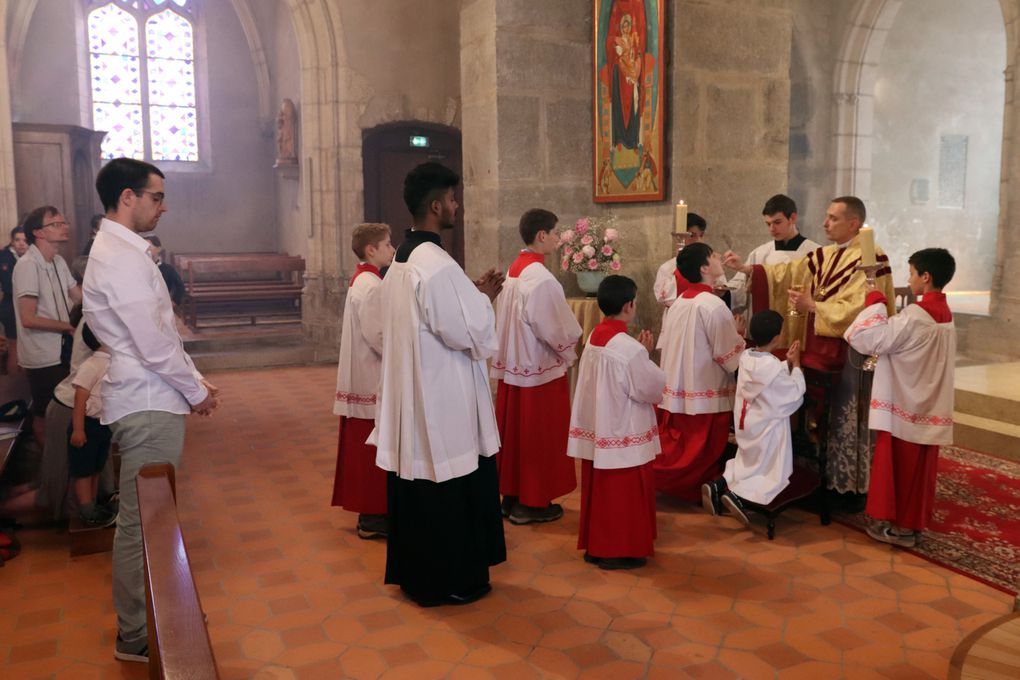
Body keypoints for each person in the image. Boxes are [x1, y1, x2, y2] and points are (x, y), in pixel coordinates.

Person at [84, 157, 219, 663]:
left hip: (152, 393)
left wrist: (195, 381)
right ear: (127, 198)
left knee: (154, 519)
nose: (162, 206)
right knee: (142, 522)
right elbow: (150, 343)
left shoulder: (126, 252)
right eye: (156, 196)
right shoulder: (118, 257)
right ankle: (136, 631)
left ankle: (150, 617)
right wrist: (196, 391)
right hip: (144, 398)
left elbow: (161, 333)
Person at [370, 162, 506, 607]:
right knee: (448, 484)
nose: (456, 205)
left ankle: (420, 578)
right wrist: (485, 299)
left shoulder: (401, 260)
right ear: (434, 205)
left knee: (419, 487)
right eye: (451, 198)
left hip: (417, 392)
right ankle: (453, 578)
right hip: (442, 397)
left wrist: (472, 294)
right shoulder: (436, 263)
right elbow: (470, 332)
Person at [724, 197, 896, 497]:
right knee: (816, 412)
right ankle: (817, 473)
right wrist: (750, 270)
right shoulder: (824, 254)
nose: (824, 223)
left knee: (845, 413)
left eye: (832, 218)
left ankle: (849, 483)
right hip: (817, 346)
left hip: (850, 350)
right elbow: (788, 274)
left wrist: (814, 305)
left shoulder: (872, 258)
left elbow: (863, 307)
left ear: (853, 223)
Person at [844, 248, 956, 548]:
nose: (910, 278)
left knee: (902, 469)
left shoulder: (916, 316)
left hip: (907, 403)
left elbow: (870, 339)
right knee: (919, 472)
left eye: (911, 273)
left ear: (926, 276)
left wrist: (874, 303)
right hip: (927, 402)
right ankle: (912, 526)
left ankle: (900, 530)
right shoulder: (945, 314)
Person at [568, 275, 665, 570]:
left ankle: (597, 547)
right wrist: (647, 357)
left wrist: (641, 354)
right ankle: (618, 550)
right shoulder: (628, 348)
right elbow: (650, 387)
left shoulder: (595, 336)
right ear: (629, 305)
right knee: (623, 494)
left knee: (601, 491)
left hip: (601, 425)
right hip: (623, 428)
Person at [491, 208, 581, 525]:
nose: (558, 240)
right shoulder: (542, 279)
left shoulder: (514, 271)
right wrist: (571, 350)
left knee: (515, 434)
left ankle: (511, 497)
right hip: (539, 370)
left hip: (514, 368)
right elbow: (556, 329)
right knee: (537, 438)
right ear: (542, 235)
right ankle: (532, 503)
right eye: (556, 233)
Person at [655, 242, 745, 502]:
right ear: (705, 267)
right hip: (705, 393)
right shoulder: (712, 305)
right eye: (714, 255)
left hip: (678, 392)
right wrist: (739, 336)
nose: (719, 259)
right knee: (698, 450)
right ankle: (699, 487)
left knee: (679, 447)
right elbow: (728, 355)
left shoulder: (680, 300)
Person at [702, 311, 805, 527]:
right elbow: (793, 394)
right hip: (767, 429)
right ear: (777, 339)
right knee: (768, 472)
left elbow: (769, 382)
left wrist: (784, 365)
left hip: (746, 424)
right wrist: (795, 365)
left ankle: (718, 485)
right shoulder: (773, 367)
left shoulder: (746, 358)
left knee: (746, 462)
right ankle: (738, 497)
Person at [332, 223, 394, 539]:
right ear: (371, 249)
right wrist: (405, 354)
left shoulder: (365, 280)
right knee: (371, 447)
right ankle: (373, 516)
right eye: (386, 244)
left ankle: (372, 513)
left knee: (367, 445)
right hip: (371, 375)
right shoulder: (371, 285)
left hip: (364, 373)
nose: (392, 249)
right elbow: (378, 334)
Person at [13, 206, 82, 450]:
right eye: (56, 224)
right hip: (42, 354)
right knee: (45, 411)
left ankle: (63, 462)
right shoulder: (27, 265)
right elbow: (28, 318)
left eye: (64, 223)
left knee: (65, 409)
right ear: (38, 232)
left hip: (62, 349)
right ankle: (49, 468)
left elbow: (78, 297)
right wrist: (69, 327)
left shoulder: (59, 261)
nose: (64, 227)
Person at [727, 195, 820, 334]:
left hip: (800, 326)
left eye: (777, 222)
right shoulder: (760, 253)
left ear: (792, 218)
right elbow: (740, 289)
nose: (772, 228)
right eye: (768, 224)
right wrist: (724, 292)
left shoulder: (816, 253)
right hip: (765, 329)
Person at [67, 323, 117, 528]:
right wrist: (78, 429)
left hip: (102, 425)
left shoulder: (114, 362)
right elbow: (80, 399)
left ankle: (95, 502)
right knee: (84, 469)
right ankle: (86, 507)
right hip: (87, 425)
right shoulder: (92, 365)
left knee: (96, 466)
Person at [652, 212, 706, 317]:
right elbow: (662, 297)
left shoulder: (709, 265)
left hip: (703, 317)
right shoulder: (667, 267)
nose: (686, 241)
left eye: (694, 235)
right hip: (677, 317)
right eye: (689, 236)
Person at [0, 226, 28, 373]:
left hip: (23, 305)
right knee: (14, 346)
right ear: (12, 241)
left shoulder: (27, 256)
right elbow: (8, 284)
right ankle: (14, 386)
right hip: (10, 305)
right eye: (17, 240)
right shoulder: (5, 256)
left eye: (25, 240)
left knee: (24, 347)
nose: (21, 243)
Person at [142, 236, 185, 308]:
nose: (146, 250)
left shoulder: (167, 269)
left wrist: (174, 301)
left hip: (162, 306)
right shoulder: (139, 268)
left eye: (149, 247)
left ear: (158, 249)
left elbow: (180, 286)